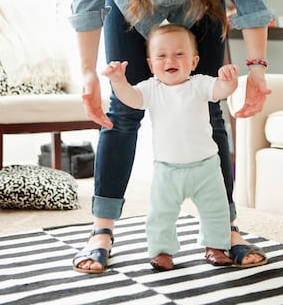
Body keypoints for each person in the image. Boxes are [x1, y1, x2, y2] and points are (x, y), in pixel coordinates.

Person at [70, 0, 272, 273]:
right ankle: (101, 230)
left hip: (202, 2)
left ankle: (226, 229)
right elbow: (87, 0)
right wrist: (87, 72)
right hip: (130, 4)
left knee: (211, 108)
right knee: (122, 115)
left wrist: (257, 68)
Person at [103, 23, 242, 271]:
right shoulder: (150, 89)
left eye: (179, 54)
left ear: (194, 61)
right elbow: (131, 99)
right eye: (162, 55)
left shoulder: (200, 84)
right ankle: (162, 251)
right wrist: (118, 81)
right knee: (161, 214)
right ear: (150, 64)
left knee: (216, 210)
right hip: (167, 169)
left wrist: (229, 81)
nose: (171, 60)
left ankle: (216, 246)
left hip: (206, 166)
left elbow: (220, 91)